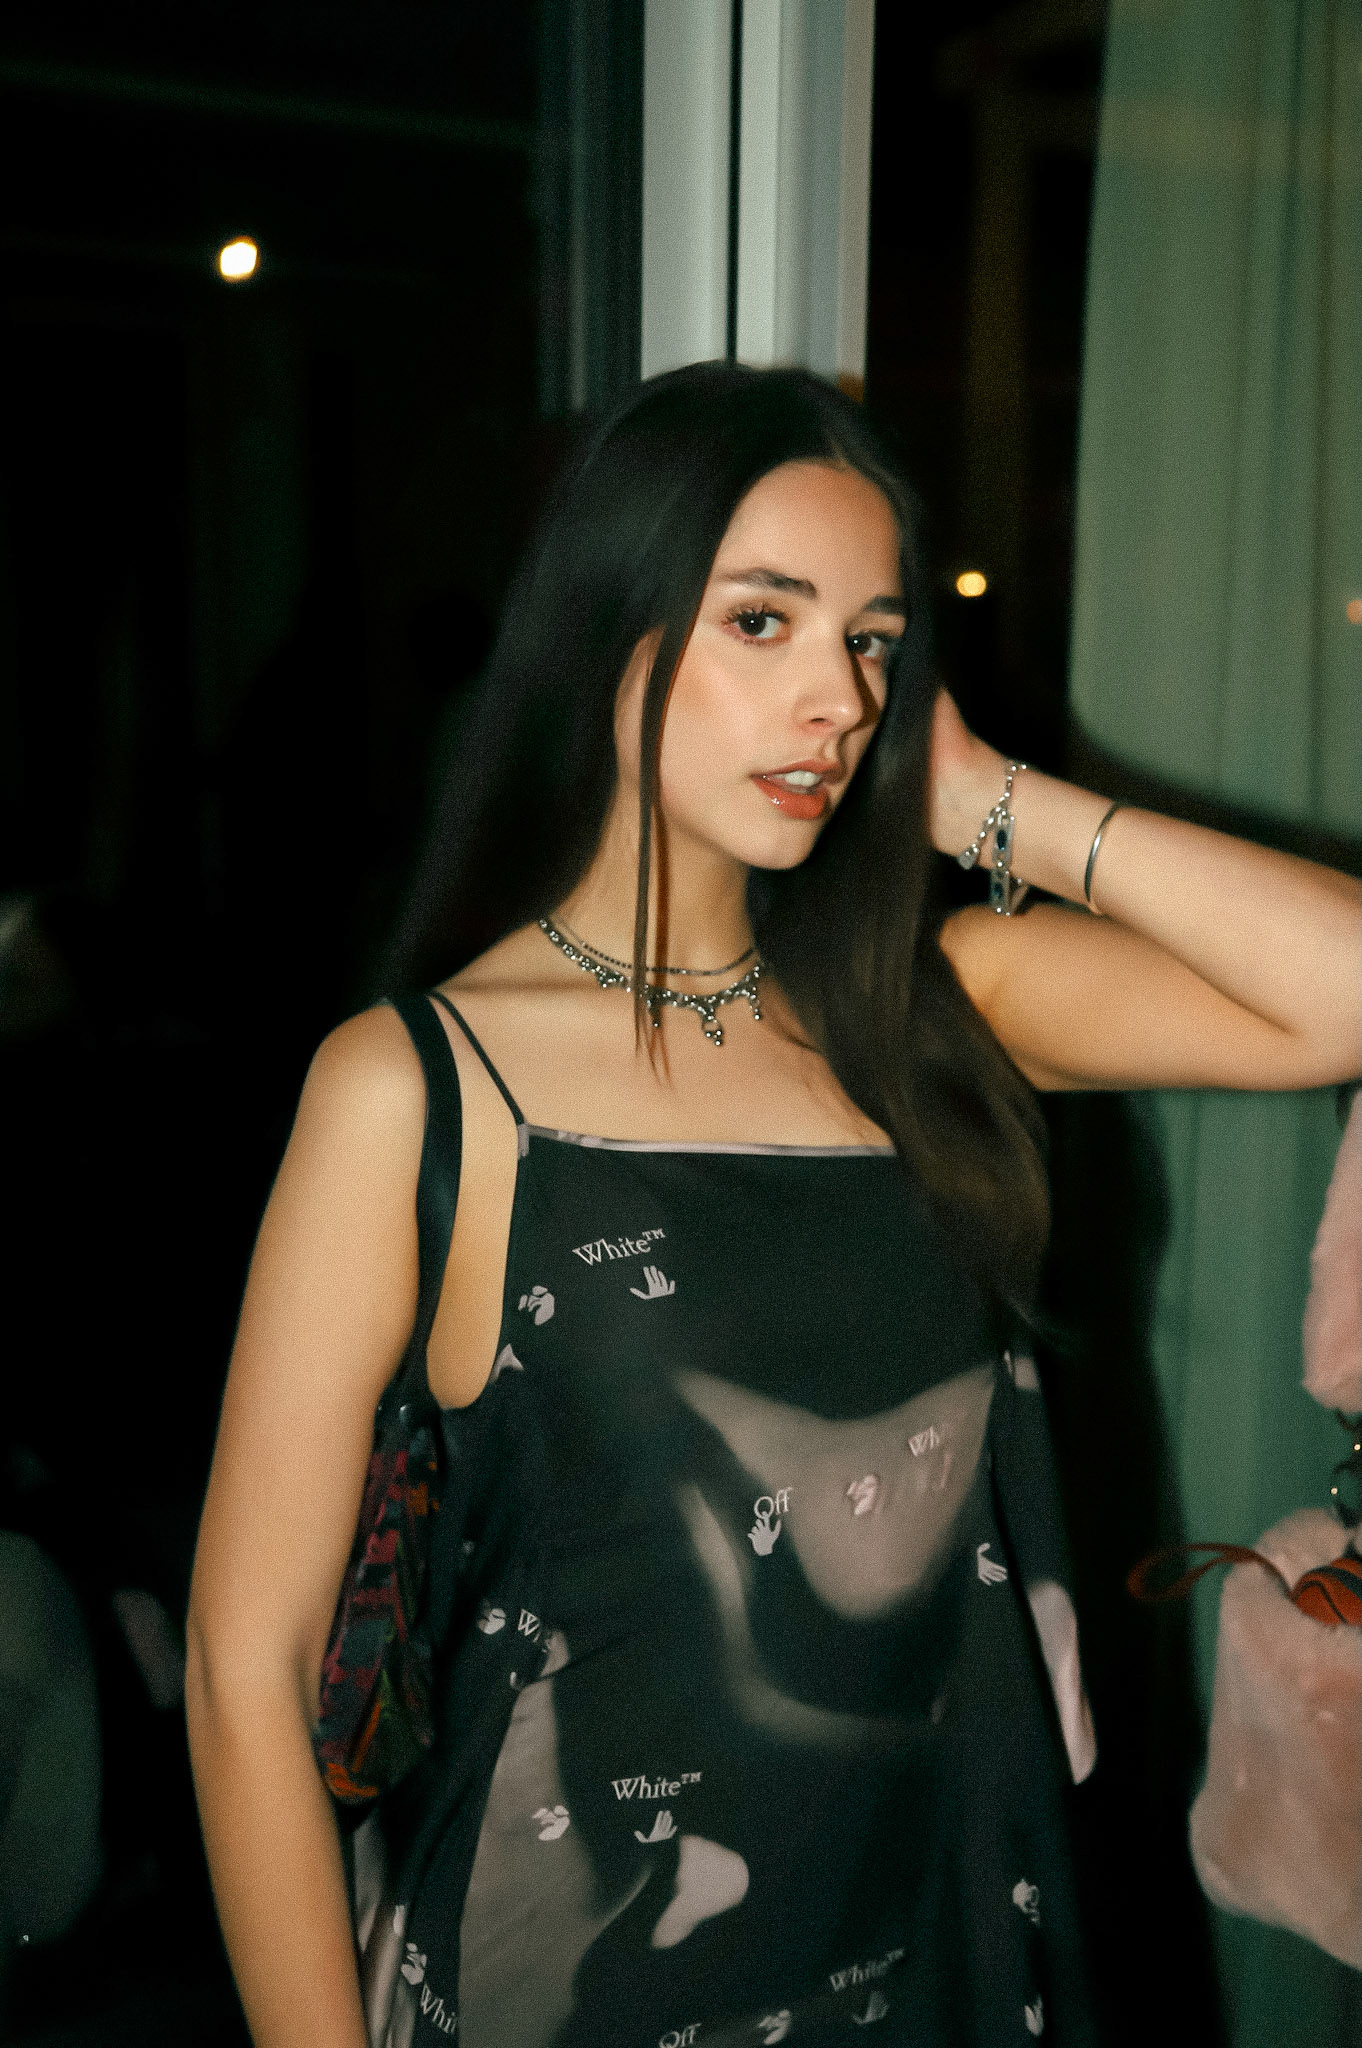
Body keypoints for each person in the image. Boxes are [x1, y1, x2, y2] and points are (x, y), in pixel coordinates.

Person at [184, 365, 1361, 2048]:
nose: (835, 698)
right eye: (762, 622)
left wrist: (987, 800)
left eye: (871, 642)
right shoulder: (418, 1087)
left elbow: (1342, 994)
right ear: (610, 626)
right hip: (567, 1975)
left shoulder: (929, 1007)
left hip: (938, 1949)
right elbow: (247, 1665)